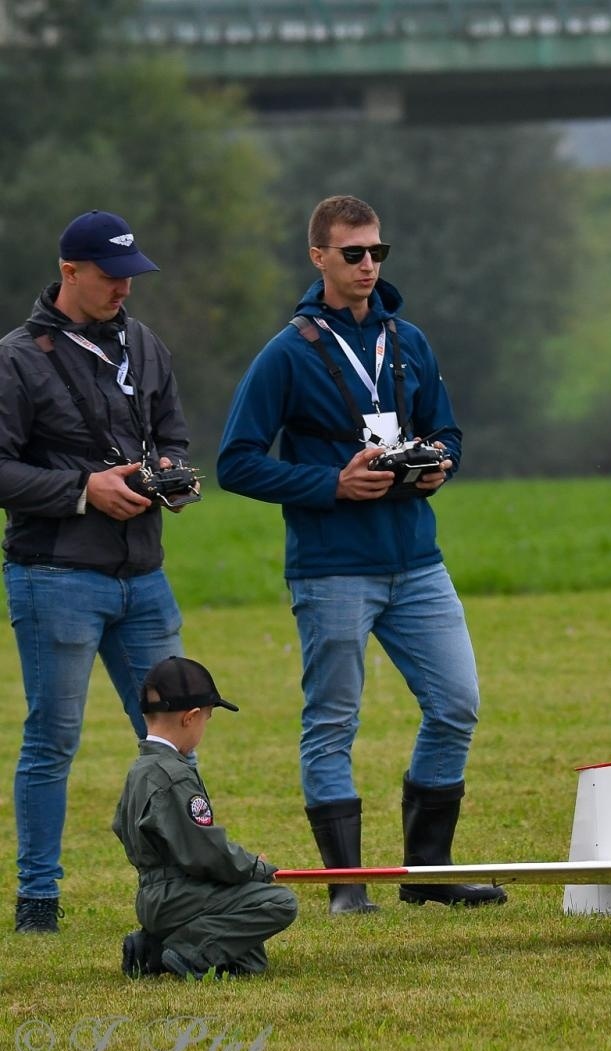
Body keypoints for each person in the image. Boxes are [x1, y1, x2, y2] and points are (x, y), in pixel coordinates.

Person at [217, 195, 504, 914]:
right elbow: (235, 463)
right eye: (354, 253)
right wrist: (331, 484)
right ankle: (347, 889)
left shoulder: (409, 341)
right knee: (333, 723)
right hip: (333, 567)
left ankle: (428, 873)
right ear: (319, 257)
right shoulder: (287, 354)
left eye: (378, 251)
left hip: (417, 561)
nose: (369, 264)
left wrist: (439, 463)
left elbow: (447, 430)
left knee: (457, 703)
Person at [0, 211, 194, 934]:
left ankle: (188, 884)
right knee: (53, 740)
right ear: (69, 271)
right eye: (111, 276)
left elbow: (172, 433)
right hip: (55, 576)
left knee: (175, 734)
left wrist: (169, 470)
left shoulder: (145, 345)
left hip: (144, 574)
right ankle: (38, 900)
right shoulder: (16, 359)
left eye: (131, 276)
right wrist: (84, 489)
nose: (124, 289)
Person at [112, 657, 297, 978]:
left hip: (151, 894)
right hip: (179, 895)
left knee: (249, 962)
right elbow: (204, 851)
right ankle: (187, 953)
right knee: (277, 903)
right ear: (190, 717)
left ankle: (152, 950)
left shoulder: (140, 770)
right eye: (207, 719)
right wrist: (255, 869)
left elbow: (120, 825)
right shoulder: (174, 775)